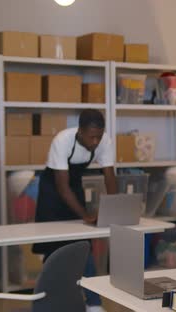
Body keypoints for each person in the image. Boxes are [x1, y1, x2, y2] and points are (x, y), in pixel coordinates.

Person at [32, 109, 117, 312]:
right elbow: (62, 187)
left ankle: (94, 304)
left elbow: (110, 177)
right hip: (52, 192)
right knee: (53, 249)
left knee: (83, 246)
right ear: (80, 131)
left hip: (74, 188)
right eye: (92, 136)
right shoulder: (62, 140)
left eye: (99, 136)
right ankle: (47, 302)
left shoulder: (105, 141)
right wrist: (85, 216)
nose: (96, 141)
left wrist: (113, 209)